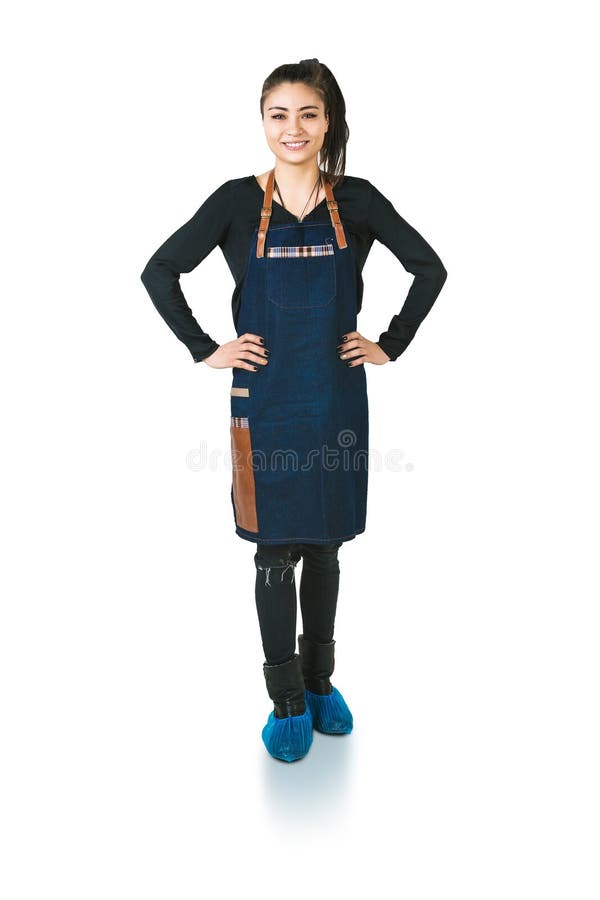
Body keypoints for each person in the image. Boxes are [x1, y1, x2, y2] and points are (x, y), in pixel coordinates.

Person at [140, 58, 447, 764]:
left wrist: (390, 344)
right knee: (275, 551)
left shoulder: (359, 201)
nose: (293, 128)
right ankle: (283, 698)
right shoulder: (234, 202)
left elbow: (430, 268)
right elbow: (160, 270)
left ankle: (320, 681)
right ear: (263, 122)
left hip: (335, 395)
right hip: (265, 401)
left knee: (327, 546)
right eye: (278, 114)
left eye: (307, 113)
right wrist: (204, 348)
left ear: (329, 119)